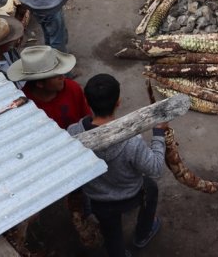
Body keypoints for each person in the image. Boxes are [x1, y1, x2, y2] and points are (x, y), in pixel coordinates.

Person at [68, 74, 166, 257]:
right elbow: (155, 168)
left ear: (88, 102)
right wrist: (158, 134)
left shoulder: (73, 133)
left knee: (111, 234)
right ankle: (143, 234)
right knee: (150, 187)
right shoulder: (132, 140)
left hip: (97, 200)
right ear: (118, 102)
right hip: (130, 195)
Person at [7, 45, 91, 129]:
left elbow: (87, 119)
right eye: (55, 76)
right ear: (40, 84)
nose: (63, 77)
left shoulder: (72, 88)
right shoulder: (25, 104)